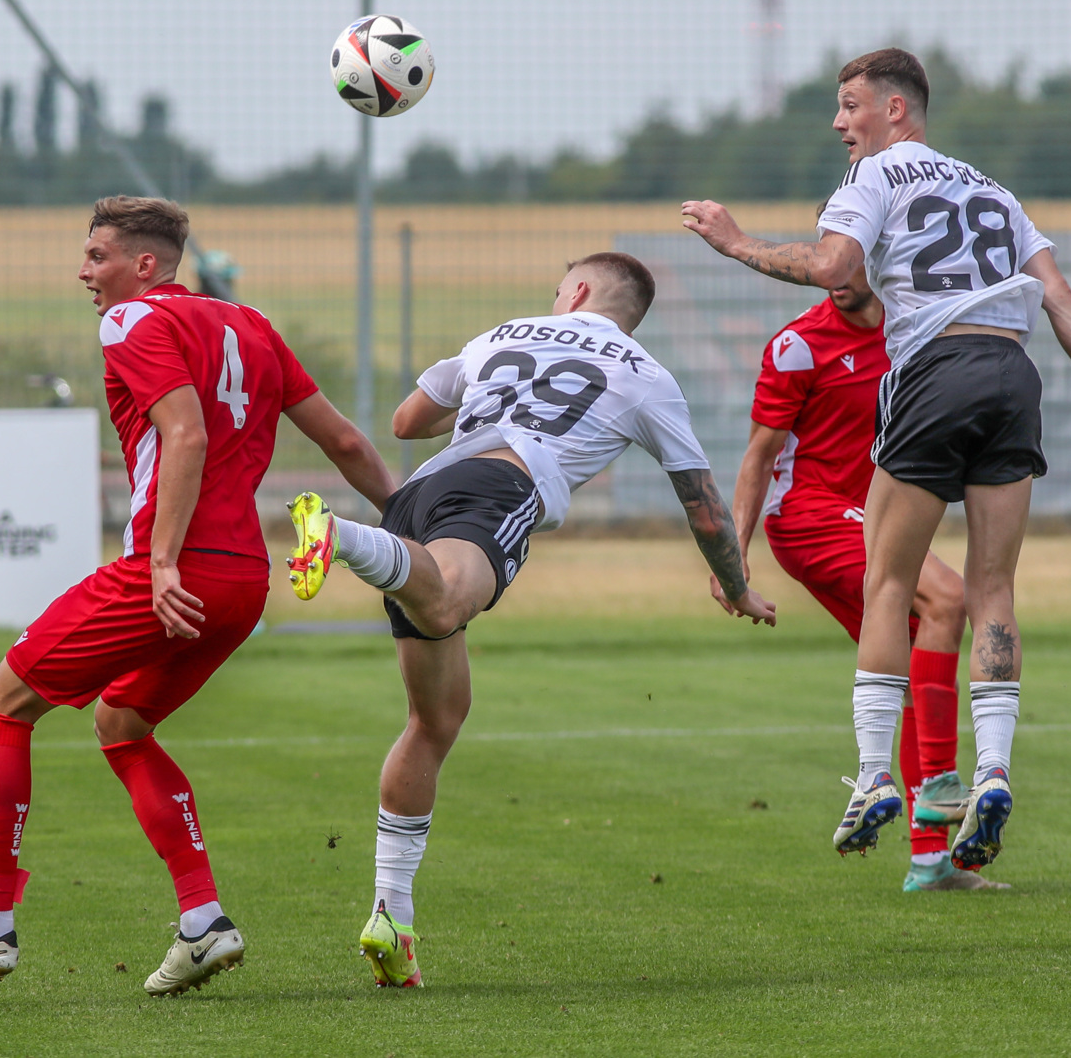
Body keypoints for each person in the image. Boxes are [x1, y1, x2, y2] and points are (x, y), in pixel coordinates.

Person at [0, 196, 394, 995]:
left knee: (1, 701)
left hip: (175, 573)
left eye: (97, 255)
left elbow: (184, 433)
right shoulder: (252, 325)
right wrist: (406, 520)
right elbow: (347, 441)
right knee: (120, 722)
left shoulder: (130, 322)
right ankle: (203, 922)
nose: (84, 272)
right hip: (241, 583)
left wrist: (158, 566)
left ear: (143, 265)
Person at [682, 48, 1071, 869]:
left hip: (935, 367)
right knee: (993, 586)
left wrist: (736, 242)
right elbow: (1058, 295)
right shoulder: (996, 192)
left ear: (895, 110)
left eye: (849, 105)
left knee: (889, 580)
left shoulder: (875, 178)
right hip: (1014, 371)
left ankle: (873, 777)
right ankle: (994, 769)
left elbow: (834, 266)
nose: (840, 124)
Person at [285, 252, 777, 988]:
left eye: (560, 287)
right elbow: (703, 501)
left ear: (576, 292)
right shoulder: (646, 374)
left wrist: (492, 396)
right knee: (451, 598)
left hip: (420, 497)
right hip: (499, 486)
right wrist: (736, 584)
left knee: (437, 717)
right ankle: (341, 535)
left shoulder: (502, 333)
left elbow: (408, 421)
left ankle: (391, 914)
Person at [722, 260, 1005, 892]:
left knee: (902, 667)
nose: (835, 273)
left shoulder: (916, 332)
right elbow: (757, 457)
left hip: (874, 513)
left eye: (851, 258)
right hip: (810, 516)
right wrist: (732, 556)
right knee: (948, 599)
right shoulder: (798, 346)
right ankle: (932, 788)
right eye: (827, 256)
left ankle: (931, 862)